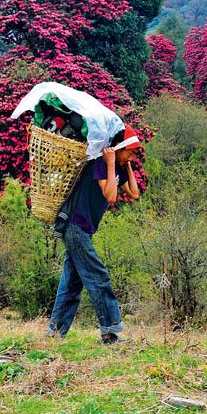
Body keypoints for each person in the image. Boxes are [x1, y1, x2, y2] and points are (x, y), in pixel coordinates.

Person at [46, 125, 143, 344]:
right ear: (117, 148)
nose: (133, 155)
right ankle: (109, 333)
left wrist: (127, 165)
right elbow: (110, 195)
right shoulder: (101, 164)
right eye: (130, 150)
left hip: (83, 230)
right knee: (99, 277)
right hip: (74, 226)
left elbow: (134, 193)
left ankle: (54, 334)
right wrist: (110, 163)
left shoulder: (118, 167)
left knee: (71, 283)